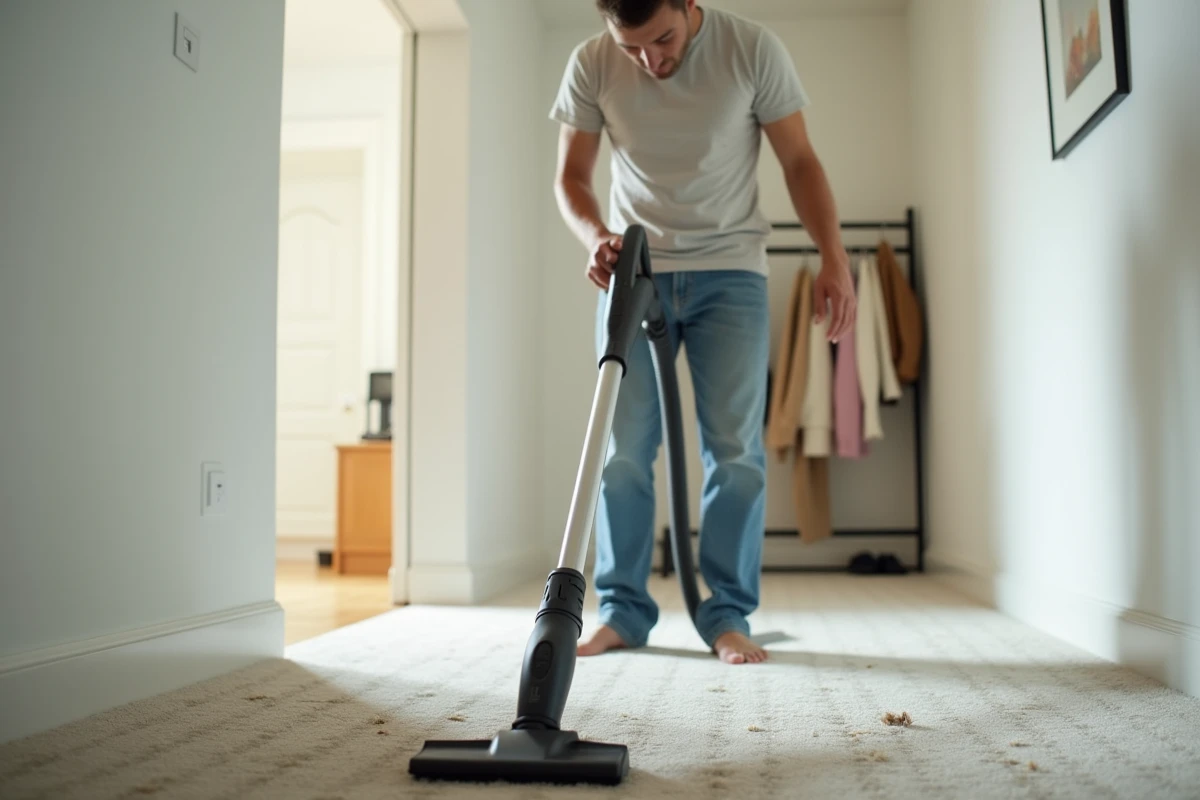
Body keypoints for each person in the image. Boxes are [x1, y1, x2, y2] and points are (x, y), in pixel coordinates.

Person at [549, 0, 856, 665]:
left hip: (732, 274)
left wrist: (833, 256)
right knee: (622, 451)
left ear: (690, 5)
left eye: (662, 39)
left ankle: (726, 615)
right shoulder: (591, 63)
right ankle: (622, 612)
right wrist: (596, 235)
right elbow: (572, 178)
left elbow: (799, 160)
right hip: (634, 274)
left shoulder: (752, 49)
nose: (650, 61)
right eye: (631, 48)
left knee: (735, 452)